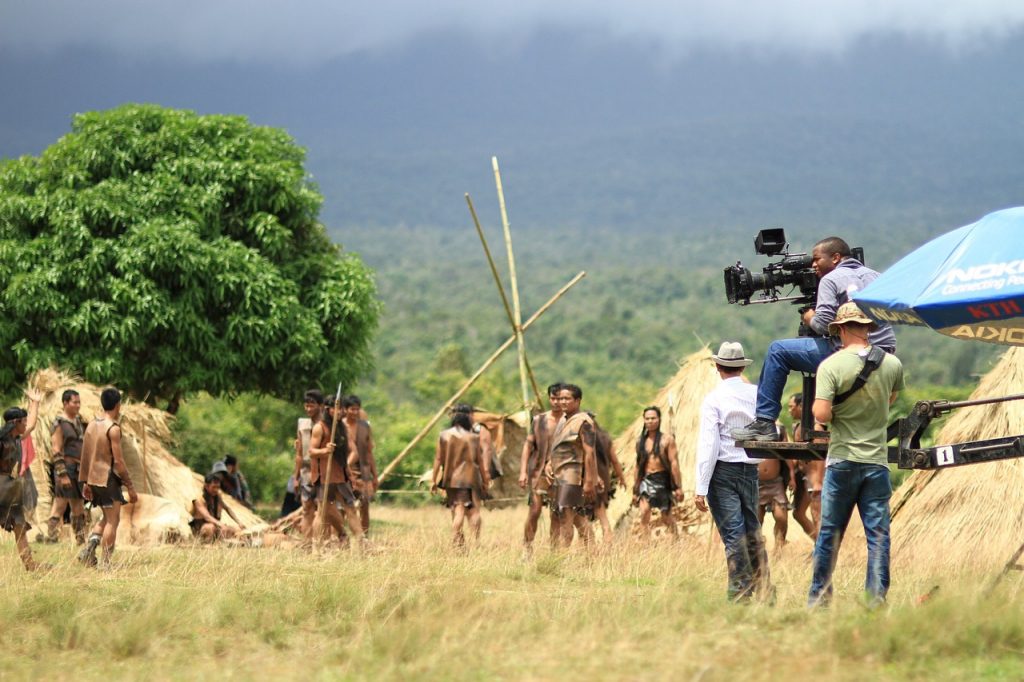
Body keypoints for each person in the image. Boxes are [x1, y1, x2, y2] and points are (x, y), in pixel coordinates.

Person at [731, 237, 896, 442]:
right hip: (884, 353)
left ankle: (765, 422)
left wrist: (809, 318)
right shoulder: (876, 276)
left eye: (817, 259)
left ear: (835, 257)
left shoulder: (831, 279)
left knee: (777, 350)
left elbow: (823, 324)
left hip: (849, 355)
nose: (813, 264)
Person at [808, 302, 904, 607]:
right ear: (867, 327)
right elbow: (889, 401)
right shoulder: (891, 364)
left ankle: (820, 601)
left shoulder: (831, 366)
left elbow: (821, 414)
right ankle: (875, 602)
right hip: (876, 462)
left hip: (843, 460)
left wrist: (827, 410)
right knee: (878, 538)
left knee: (829, 536)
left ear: (840, 328)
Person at [694, 342, 770, 601]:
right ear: (741, 367)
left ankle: (740, 594)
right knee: (752, 532)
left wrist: (700, 487)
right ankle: (763, 589)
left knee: (733, 535)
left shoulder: (713, 399)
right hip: (750, 470)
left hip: (723, 472)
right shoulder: (757, 394)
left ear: (718, 367)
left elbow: (709, 444)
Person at [78, 387, 138, 568]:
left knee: (105, 518)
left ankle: (89, 549)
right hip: (108, 479)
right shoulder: (113, 429)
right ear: (118, 405)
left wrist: (86, 482)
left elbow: (86, 455)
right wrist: (130, 486)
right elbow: (119, 462)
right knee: (113, 520)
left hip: (93, 480)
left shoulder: (91, 425)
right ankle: (105, 563)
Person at [547, 384, 598, 548]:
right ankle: (592, 553)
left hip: (572, 476)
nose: (562, 401)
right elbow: (559, 446)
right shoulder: (563, 420)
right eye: (560, 398)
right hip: (559, 476)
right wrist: (549, 463)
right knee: (574, 517)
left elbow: (590, 453)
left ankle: (562, 559)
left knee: (565, 517)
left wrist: (590, 481)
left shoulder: (583, 422)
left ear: (577, 400)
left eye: (567, 398)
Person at [431, 407, 490, 548]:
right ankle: (475, 542)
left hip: (451, 480)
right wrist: (485, 479)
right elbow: (480, 461)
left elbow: (438, 459)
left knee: (457, 510)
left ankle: (457, 542)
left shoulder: (443, 435)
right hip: (471, 478)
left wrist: (434, 480)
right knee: (474, 511)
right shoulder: (473, 437)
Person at [0, 389, 44, 571]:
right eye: (23, 421)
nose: (26, 424)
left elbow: (32, 424)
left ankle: (30, 565)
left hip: (10, 488)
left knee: (19, 525)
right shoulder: (1, 441)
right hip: (2, 487)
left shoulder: (17, 439)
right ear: (14, 423)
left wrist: (35, 402)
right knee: (18, 525)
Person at [518, 383, 563, 552]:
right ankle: (527, 547)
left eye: (560, 398)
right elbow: (528, 446)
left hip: (561, 472)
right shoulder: (539, 420)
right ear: (549, 398)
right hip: (538, 472)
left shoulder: (570, 420)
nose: (557, 402)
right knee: (535, 510)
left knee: (556, 513)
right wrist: (523, 472)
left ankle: (554, 551)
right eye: (554, 398)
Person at [311, 398, 361, 545]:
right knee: (322, 511)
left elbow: (353, 451)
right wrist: (325, 450)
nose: (340, 412)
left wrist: (347, 466)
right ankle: (317, 547)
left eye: (341, 409)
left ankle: (361, 542)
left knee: (350, 508)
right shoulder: (319, 427)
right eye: (336, 408)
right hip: (324, 476)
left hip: (341, 475)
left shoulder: (342, 428)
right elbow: (311, 451)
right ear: (328, 409)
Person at [633, 406, 683, 540]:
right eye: (647, 418)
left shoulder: (667, 440)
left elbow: (674, 463)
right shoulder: (640, 442)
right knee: (644, 513)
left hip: (663, 480)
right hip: (646, 480)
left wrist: (678, 487)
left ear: (659, 419)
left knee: (666, 516)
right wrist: (635, 489)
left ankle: (676, 540)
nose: (650, 421)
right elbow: (638, 466)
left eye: (653, 418)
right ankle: (645, 545)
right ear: (644, 420)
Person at [46, 389, 88, 544]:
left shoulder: (78, 422)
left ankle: (80, 539)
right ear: (65, 403)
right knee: (60, 503)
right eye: (74, 402)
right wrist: (62, 474)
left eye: (79, 402)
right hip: (66, 467)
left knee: (78, 505)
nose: (78, 405)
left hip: (78, 469)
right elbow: (56, 449)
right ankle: (51, 538)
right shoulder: (59, 423)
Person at [786, 393, 821, 540]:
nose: (789, 410)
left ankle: (823, 552)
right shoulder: (798, 427)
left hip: (814, 478)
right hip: (803, 477)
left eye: (791, 407)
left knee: (816, 515)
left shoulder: (815, 427)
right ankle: (818, 546)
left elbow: (821, 455)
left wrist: (819, 479)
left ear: (801, 406)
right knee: (798, 513)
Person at [343, 395, 377, 536]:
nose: (355, 412)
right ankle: (339, 536)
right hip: (343, 470)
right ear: (345, 409)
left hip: (363, 471)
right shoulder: (339, 426)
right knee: (341, 506)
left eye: (357, 409)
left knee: (365, 504)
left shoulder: (365, 427)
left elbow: (369, 452)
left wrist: (374, 476)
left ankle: (365, 538)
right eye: (352, 409)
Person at [590, 414, 627, 542]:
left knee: (583, 519)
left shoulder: (583, 439)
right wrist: (621, 478)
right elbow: (615, 461)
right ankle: (608, 545)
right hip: (603, 481)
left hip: (587, 480)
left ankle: (587, 549)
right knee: (602, 516)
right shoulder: (605, 438)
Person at [294, 389, 324, 540]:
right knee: (307, 509)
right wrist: (296, 476)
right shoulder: (302, 424)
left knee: (323, 509)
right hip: (306, 472)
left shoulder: (327, 424)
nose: (308, 409)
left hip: (323, 471)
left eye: (312, 405)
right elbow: (299, 453)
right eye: (306, 406)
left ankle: (320, 543)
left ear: (320, 406)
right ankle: (306, 543)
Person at [190, 474, 246, 542]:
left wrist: (239, 522)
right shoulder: (199, 500)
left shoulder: (217, 497)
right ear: (206, 486)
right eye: (213, 487)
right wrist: (220, 524)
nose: (216, 490)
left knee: (235, 530)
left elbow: (227, 509)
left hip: (215, 525)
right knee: (210, 527)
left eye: (218, 487)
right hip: (201, 529)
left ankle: (222, 542)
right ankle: (205, 543)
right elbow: (207, 517)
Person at [756, 457, 789, 552]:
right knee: (757, 519)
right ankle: (757, 546)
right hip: (756, 481)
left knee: (781, 517)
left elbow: (787, 457)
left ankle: (779, 546)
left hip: (775, 482)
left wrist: (791, 475)